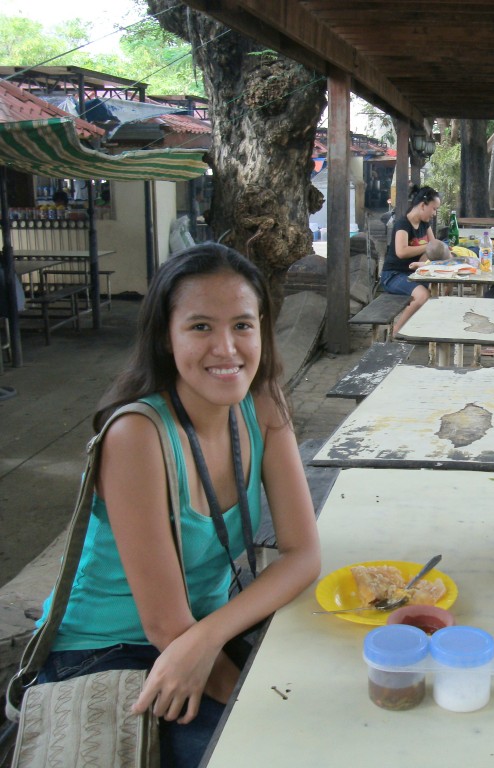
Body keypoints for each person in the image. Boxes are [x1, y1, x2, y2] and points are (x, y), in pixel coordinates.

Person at [30, 243, 321, 768]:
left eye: (243, 325)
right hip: (103, 652)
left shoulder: (263, 404)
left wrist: (210, 638)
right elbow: (165, 624)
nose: (227, 348)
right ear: (166, 337)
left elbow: (303, 554)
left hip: (202, 631)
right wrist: (244, 692)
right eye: (200, 327)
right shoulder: (137, 434)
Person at [379, 185, 440, 333]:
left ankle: (422, 329)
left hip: (413, 273)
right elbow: (401, 252)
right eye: (433, 208)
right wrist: (428, 248)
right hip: (393, 275)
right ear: (422, 205)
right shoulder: (403, 224)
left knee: (441, 288)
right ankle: (396, 331)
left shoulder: (425, 224)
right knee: (422, 295)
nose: (434, 213)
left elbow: (434, 248)